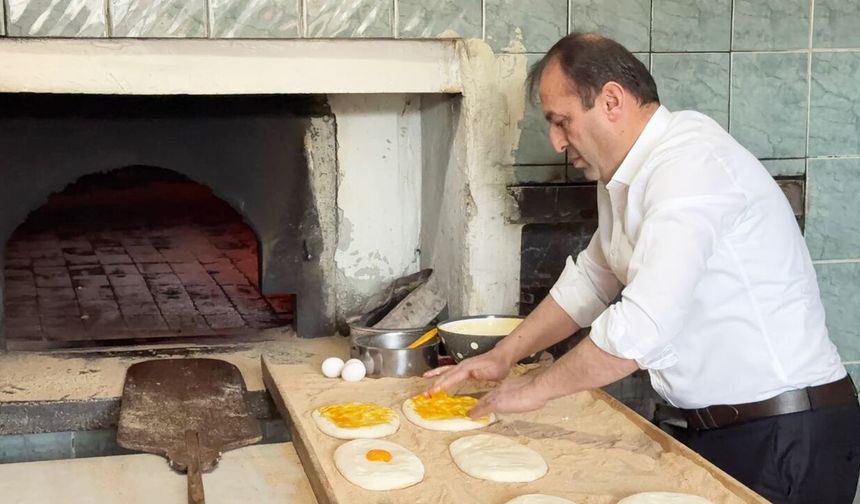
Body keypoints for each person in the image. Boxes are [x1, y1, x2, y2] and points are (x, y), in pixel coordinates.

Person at [425, 32, 860, 503]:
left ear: (612, 100)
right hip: (725, 430)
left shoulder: (688, 168)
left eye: (562, 122)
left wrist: (536, 390)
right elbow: (591, 281)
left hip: (788, 435)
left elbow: (640, 328)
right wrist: (505, 356)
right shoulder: (627, 172)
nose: (556, 141)